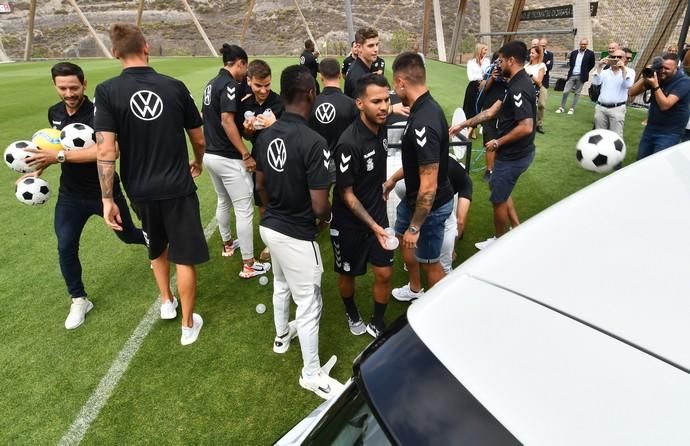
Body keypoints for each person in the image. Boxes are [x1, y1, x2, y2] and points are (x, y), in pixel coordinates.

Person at [95, 23, 209, 345]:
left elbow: (105, 149)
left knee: (155, 245)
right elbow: (199, 138)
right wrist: (197, 162)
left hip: (138, 189)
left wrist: (107, 199)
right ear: (146, 47)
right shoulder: (174, 86)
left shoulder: (106, 91)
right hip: (177, 186)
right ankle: (188, 325)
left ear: (115, 53)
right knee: (184, 256)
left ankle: (166, 302)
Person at [23, 62, 146, 330]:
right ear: (55, 86)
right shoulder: (54, 113)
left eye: (74, 87)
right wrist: (36, 172)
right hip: (70, 195)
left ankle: (155, 241)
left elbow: (108, 151)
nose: (68, 93)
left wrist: (58, 156)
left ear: (84, 84)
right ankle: (78, 299)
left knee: (128, 235)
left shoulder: (99, 113)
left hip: (105, 190)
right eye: (62, 88)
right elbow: (53, 148)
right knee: (65, 245)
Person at [254, 65, 342, 400]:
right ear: (311, 94)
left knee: (280, 283)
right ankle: (310, 374)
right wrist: (330, 218)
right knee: (308, 302)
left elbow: (260, 185)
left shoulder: (265, 135)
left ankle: (281, 336)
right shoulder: (314, 141)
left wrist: (275, 210)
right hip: (295, 234)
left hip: (270, 227)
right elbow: (320, 206)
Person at [450, 40, 536, 251]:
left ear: (512, 60)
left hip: (514, 155)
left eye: (502, 61)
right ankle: (516, 228)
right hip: (512, 153)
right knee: (501, 189)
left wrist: (498, 142)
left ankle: (500, 242)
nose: (498, 65)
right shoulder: (514, 82)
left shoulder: (519, 88)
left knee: (498, 198)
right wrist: (463, 124)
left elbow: (526, 126)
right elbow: (491, 111)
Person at [383, 52, 454, 300]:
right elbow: (418, 164)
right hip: (414, 200)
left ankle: (441, 308)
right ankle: (415, 290)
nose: (394, 88)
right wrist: (393, 179)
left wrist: (416, 226)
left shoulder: (425, 120)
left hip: (430, 207)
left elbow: (429, 184)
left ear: (401, 82)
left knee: (430, 262)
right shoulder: (421, 108)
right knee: (403, 239)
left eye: (394, 82)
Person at [330, 74, 393, 338]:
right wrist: (374, 226)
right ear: (359, 103)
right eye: (376, 101)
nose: (384, 107)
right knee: (348, 274)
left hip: (377, 214)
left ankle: (378, 322)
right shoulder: (348, 142)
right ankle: (351, 311)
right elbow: (346, 194)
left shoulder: (383, 126)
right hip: (350, 224)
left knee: (384, 274)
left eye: (387, 100)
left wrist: (387, 184)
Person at [201, 44, 270, 278]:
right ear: (240, 63)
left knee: (223, 201)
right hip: (226, 156)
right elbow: (227, 121)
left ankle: (228, 244)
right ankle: (249, 265)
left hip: (210, 154)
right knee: (244, 210)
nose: (245, 73)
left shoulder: (211, 84)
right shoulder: (230, 84)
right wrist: (245, 153)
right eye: (245, 67)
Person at [239, 59, 284, 262]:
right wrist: (247, 132)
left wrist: (275, 124)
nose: (264, 90)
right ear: (249, 81)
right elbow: (248, 137)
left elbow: (291, 132)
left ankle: (286, 235)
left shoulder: (279, 102)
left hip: (280, 159)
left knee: (281, 198)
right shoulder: (245, 104)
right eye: (259, 86)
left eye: (267, 85)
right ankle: (269, 242)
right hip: (259, 160)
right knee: (262, 201)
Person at [629, 52, 690, 159]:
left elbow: (665, 105)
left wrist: (655, 85)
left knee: (659, 164)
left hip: (670, 132)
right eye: (660, 67)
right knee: (641, 162)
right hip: (651, 127)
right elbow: (631, 93)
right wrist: (646, 75)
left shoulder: (684, 82)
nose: (662, 71)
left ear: (676, 68)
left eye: (667, 68)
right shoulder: (657, 75)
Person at [308, 58, 358, 183]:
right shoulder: (352, 104)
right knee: (344, 197)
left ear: (321, 77)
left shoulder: (311, 104)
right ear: (340, 75)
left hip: (318, 161)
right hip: (345, 160)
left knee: (319, 200)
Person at [591, 49, 633, 137]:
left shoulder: (630, 71)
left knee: (616, 136)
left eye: (619, 57)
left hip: (617, 109)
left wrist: (623, 69)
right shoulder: (604, 71)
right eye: (613, 57)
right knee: (599, 135)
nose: (616, 59)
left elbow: (627, 85)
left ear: (624, 59)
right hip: (601, 108)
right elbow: (595, 82)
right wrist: (599, 66)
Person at [556, 38, 595, 115]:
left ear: (587, 45)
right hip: (572, 75)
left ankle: (572, 108)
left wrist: (585, 71)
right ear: (579, 44)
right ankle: (562, 107)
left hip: (581, 76)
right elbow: (571, 63)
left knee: (577, 93)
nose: (583, 45)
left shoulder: (590, 53)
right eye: (581, 44)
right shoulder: (574, 53)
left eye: (584, 44)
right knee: (565, 91)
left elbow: (592, 64)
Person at [463, 43, 490, 138]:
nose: (486, 52)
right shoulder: (471, 62)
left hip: (483, 86)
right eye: (484, 50)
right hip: (473, 86)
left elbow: (488, 74)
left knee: (477, 107)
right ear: (479, 50)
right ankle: (467, 127)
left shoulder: (487, 61)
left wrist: (483, 77)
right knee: (469, 106)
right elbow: (471, 77)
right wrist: (482, 76)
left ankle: (473, 128)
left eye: (486, 50)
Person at [344, 27, 379, 98]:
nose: (376, 49)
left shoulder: (363, 67)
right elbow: (362, 107)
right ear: (359, 47)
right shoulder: (358, 76)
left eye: (377, 44)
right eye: (370, 46)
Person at [525, 45, 546, 134]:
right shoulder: (526, 65)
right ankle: (529, 125)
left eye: (533, 53)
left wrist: (530, 74)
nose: (531, 55)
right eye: (530, 53)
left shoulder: (541, 65)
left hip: (538, 89)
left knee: (541, 106)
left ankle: (539, 124)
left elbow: (539, 82)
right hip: (527, 88)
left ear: (538, 54)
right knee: (528, 107)